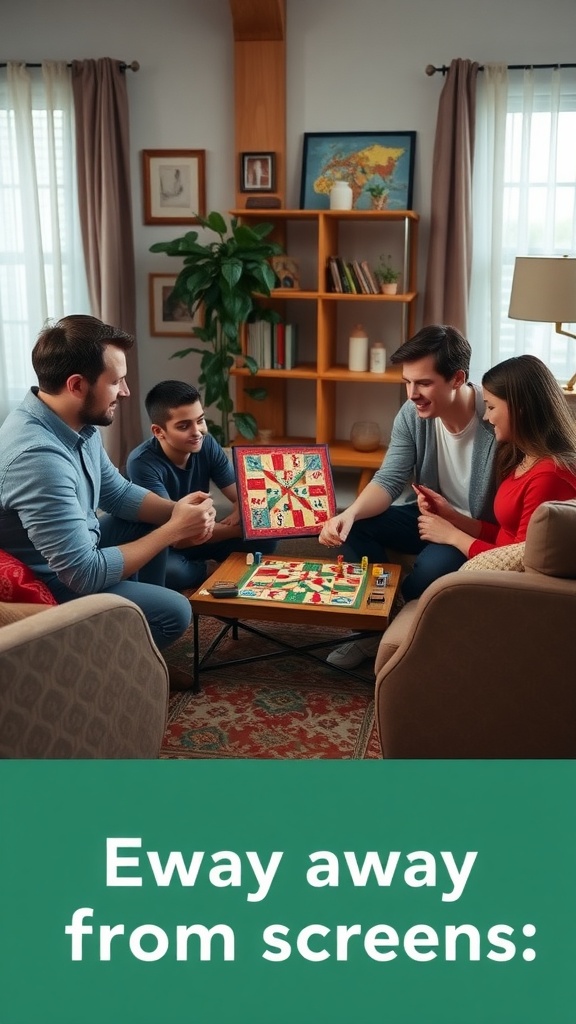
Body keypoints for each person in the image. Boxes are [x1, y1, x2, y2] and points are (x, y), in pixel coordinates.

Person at [0, 315, 216, 686]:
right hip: (51, 578)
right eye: (116, 381)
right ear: (77, 385)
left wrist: (176, 511)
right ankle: (114, 671)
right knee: (175, 613)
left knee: (152, 520)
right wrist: (173, 530)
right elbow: (83, 574)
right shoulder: (39, 459)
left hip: (76, 552)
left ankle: (139, 642)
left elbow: (116, 492)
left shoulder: (72, 423)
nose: (127, 391)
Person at [318, 324, 497, 668]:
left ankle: (404, 632)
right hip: (424, 515)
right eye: (407, 383)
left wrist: (458, 530)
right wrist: (349, 513)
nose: (411, 394)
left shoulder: (494, 418)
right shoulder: (413, 415)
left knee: (430, 570)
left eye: (424, 383)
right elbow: (388, 479)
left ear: (457, 379)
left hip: (470, 529)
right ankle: (369, 631)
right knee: (353, 527)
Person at [416, 354, 576, 556]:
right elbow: (506, 536)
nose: (486, 417)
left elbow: (519, 560)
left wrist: (452, 536)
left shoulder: (548, 477)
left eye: (491, 407)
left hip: (504, 583)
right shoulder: (526, 458)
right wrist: (453, 517)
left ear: (520, 410)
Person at [126, 380, 275, 591]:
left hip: (203, 533)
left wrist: (242, 511)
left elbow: (242, 497)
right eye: (184, 426)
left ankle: (208, 565)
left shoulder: (206, 443)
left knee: (267, 540)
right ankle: (206, 570)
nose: (198, 432)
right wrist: (237, 529)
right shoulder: (141, 463)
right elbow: (177, 537)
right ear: (159, 432)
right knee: (172, 574)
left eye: (200, 420)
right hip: (165, 544)